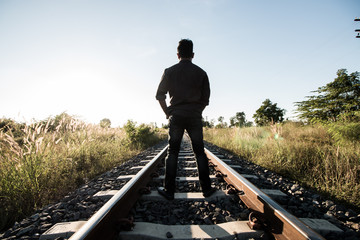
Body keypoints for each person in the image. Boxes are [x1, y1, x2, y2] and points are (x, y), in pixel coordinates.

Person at [155, 39, 216, 200]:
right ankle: (207, 189)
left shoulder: (169, 71)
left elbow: (159, 95)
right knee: (199, 152)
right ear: (193, 55)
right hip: (194, 116)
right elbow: (205, 99)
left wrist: (168, 112)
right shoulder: (201, 73)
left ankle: (169, 191)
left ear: (178, 55)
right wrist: (196, 110)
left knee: (172, 152)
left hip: (176, 115)